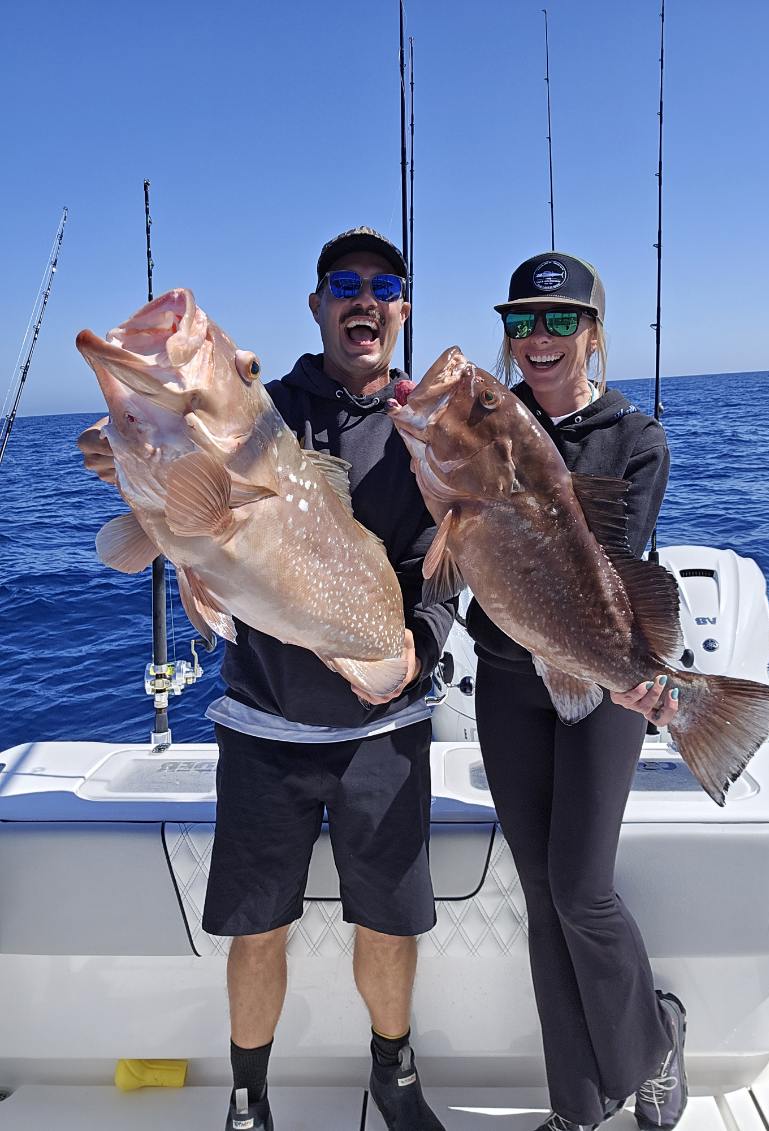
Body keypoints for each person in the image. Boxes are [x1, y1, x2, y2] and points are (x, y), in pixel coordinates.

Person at [78, 227, 456, 1131]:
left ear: (401, 310)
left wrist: (420, 646)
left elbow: (448, 561)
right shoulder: (267, 410)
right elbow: (162, 515)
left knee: (389, 923)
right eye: (344, 284)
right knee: (258, 925)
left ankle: (395, 1074)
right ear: (318, 305)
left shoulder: (425, 428)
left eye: (383, 287)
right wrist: (121, 457)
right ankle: (248, 1096)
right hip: (262, 721)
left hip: (383, 725)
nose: (364, 300)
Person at [465, 252, 687, 1131]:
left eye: (561, 319)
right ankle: (576, 1106)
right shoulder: (484, 427)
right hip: (504, 675)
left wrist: (639, 674)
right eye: (521, 321)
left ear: (593, 333)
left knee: (581, 890)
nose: (539, 337)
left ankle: (654, 1043)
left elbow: (611, 570)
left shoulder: (636, 439)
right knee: (540, 894)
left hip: (595, 669)